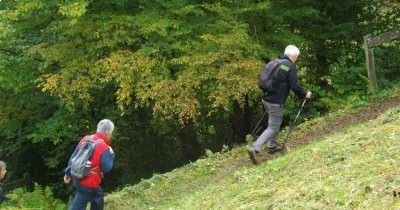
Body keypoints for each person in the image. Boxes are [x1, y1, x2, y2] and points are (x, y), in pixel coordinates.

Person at [249, 45, 312, 164]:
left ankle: (272, 147)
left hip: (266, 99)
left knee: (275, 122)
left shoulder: (275, 62)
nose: (296, 59)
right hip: (275, 101)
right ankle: (255, 148)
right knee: (273, 126)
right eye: (297, 57)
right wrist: (305, 94)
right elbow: (295, 86)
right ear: (294, 56)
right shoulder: (289, 66)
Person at [64, 119, 115, 210]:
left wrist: (68, 173)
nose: (111, 136)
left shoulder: (86, 138)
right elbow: (107, 168)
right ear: (107, 133)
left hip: (78, 176)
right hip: (88, 183)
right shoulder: (103, 147)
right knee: (78, 206)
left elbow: (74, 157)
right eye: (111, 133)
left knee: (98, 196)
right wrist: (111, 154)